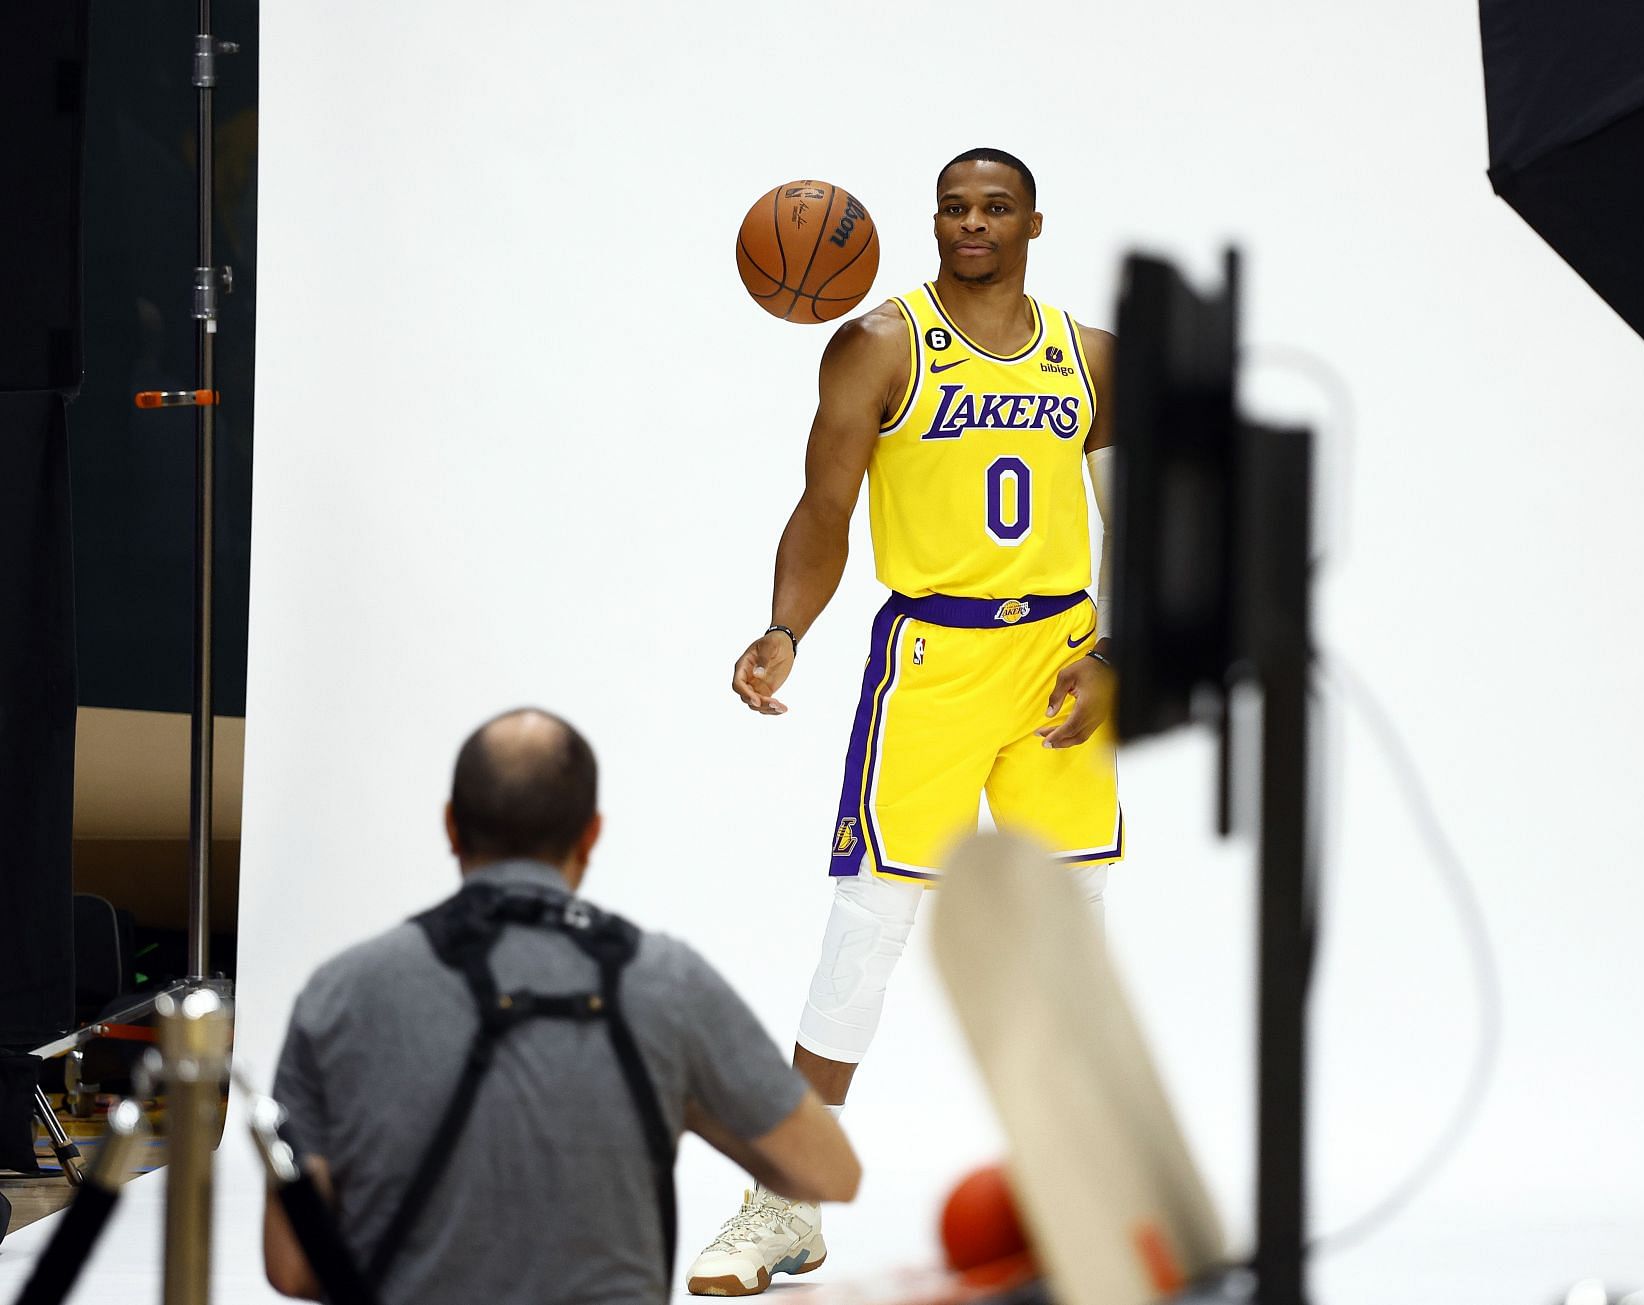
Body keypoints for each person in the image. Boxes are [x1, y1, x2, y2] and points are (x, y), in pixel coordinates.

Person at [687, 147, 1121, 1296]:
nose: (971, 223)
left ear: (1035, 220)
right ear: (931, 220)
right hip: (931, 660)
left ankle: (1070, 1192)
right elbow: (826, 502)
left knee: (1065, 932)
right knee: (868, 933)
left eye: (995, 208)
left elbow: (1159, 499)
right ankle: (785, 1203)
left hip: (1061, 662)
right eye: (954, 207)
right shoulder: (881, 342)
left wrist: (1120, 655)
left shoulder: (1089, 356)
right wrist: (786, 628)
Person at [262, 708, 859, 1305]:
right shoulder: (667, 984)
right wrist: (684, 1099)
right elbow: (831, 1174)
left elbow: (292, 1267)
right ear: (591, 834)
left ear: (450, 827)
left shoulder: (340, 991)